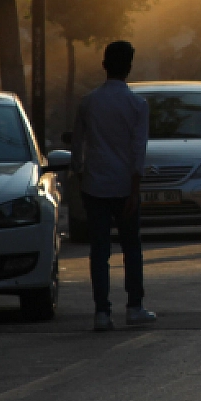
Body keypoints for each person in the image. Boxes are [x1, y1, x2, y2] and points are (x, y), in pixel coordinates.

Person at [71, 40, 154, 332]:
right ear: (129, 67)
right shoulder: (137, 105)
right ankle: (134, 306)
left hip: (95, 184)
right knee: (132, 248)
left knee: (99, 251)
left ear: (104, 65)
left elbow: (77, 145)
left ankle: (102, 312)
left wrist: (80, 178)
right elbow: (138, 149)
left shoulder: (89, 102)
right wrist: (135, 189)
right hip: (124, 185)